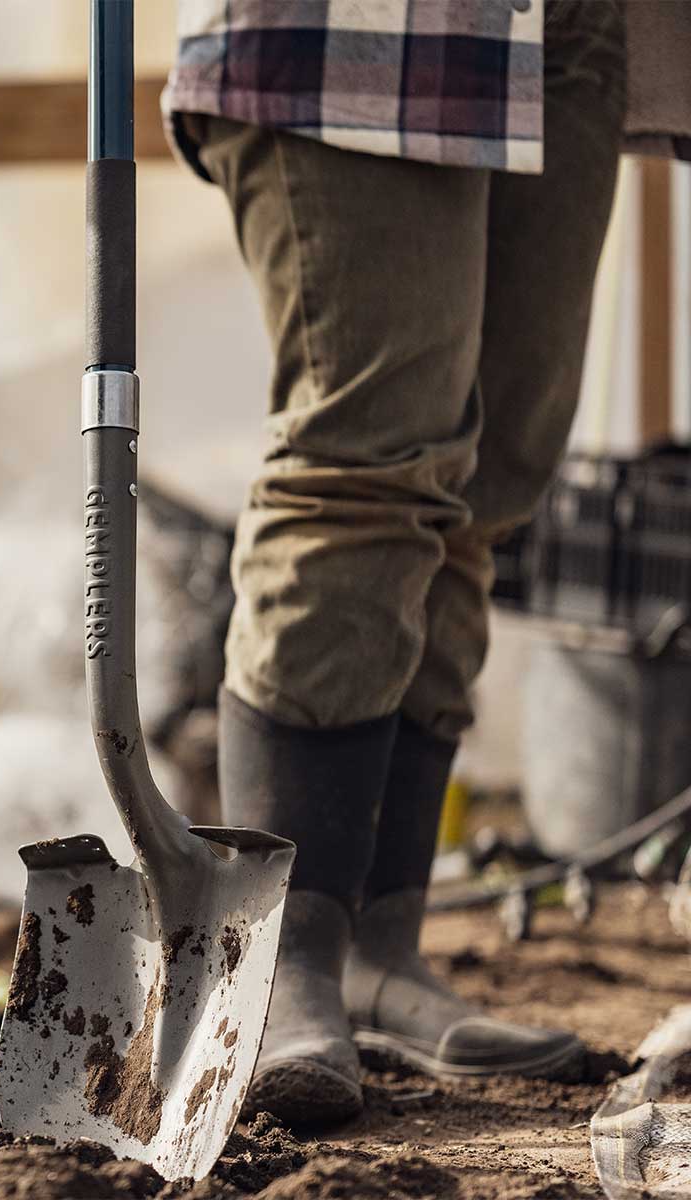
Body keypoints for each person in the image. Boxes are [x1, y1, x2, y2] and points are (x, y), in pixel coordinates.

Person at [163, 0, 690, 1122]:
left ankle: (378, 948)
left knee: (490, 483)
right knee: (370, 457)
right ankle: (281, 953)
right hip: (368, 23)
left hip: (572, 28)